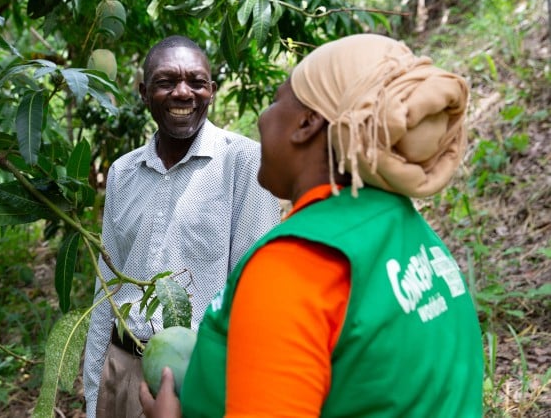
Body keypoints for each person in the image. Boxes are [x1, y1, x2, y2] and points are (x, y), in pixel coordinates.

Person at [140, 33, 484, 417]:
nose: (263, 117)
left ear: (307, 123)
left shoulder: (294, 266)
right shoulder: (415, 236)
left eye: (276, 101)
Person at [83, 35, 282, 418]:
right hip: (120, 367)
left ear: (212, 91)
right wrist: (95, 392)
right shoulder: (123, 172)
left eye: (196, 81)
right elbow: (105, 289)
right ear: (143, 92)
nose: (183, 92)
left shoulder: (243, 163)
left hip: (197, 378)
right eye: (166, 81)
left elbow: (254, 295)